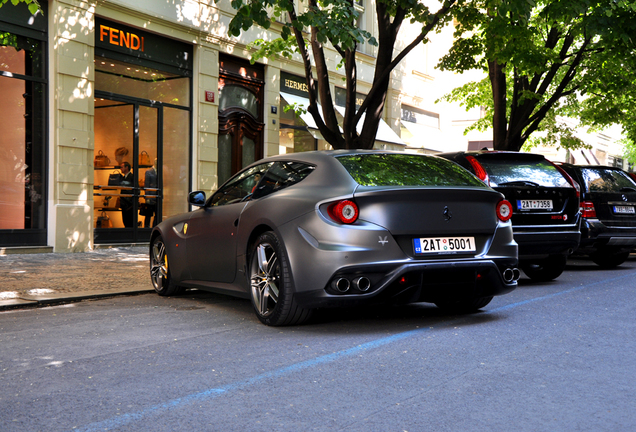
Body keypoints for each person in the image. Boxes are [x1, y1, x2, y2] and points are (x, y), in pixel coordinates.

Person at [119, 162, 134, 228]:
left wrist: (131, 201)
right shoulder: (123, 177)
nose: (120, 169)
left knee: (129, 221)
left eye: (122, 167)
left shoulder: (131, 177)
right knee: (125, 220)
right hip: (124, 203)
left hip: (129, 203)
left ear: (126, 167)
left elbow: (135, 189)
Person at [143, 160, 157, 227]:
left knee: (157, 215)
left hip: (157, 196)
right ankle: (146, 228)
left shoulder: (160, 171)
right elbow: (146, 185)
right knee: (148, 214)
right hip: (151, 196)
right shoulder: (149, 171)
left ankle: (154, 227)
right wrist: (147, 197)